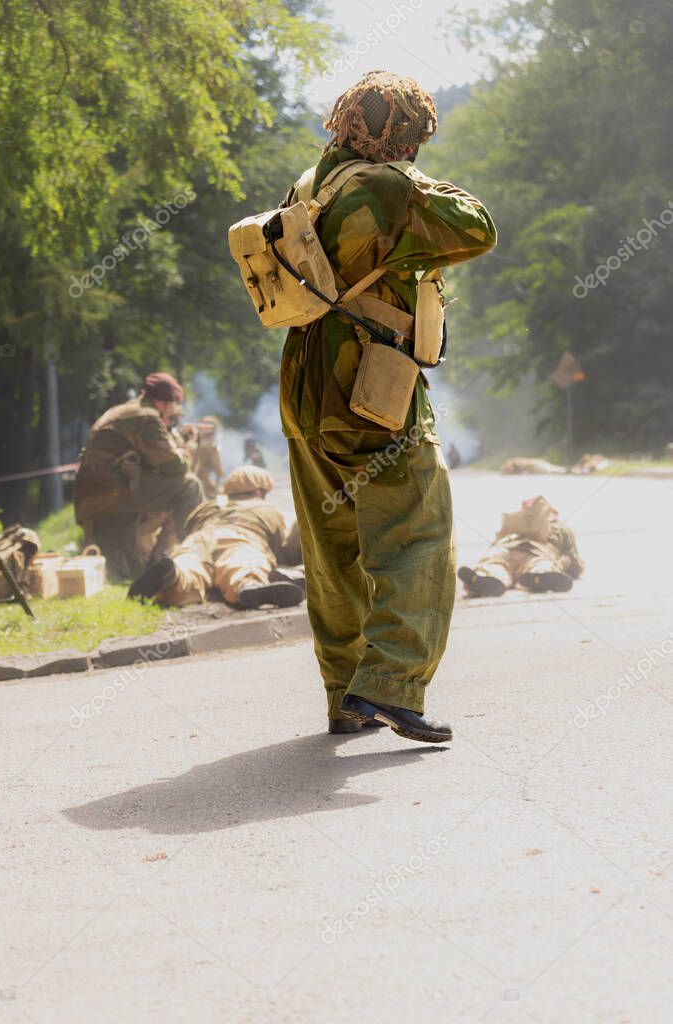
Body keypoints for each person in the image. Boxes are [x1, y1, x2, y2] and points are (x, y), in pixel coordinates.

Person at [279, 70, 497, 739]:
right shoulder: (389, 186)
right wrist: (414, 179)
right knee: (417, 538)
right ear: (402, 133)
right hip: (373, 387)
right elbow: (478, 228)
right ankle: (394, 687)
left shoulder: (307, 186)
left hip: (305, 392)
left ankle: (346, 695)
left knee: (332, 552)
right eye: (414, 136)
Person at [74, 373, 204, 580]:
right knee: (189, 486)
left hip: (97, 498)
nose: (173, 412)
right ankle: (196, 557)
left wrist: (173, 435)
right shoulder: (146, 417)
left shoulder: (127, 410)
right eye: (174, 405)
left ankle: (159, 561)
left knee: (134, 569)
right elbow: (175, 466)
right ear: (163, 402)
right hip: (110, 495)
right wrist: (187, 445)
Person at [127, 465, 305, 609]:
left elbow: (187, 529)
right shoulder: (267, 508)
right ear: (258, 491)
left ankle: (172, 578)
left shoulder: (207, 506)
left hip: (198, 539)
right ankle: (248, 586)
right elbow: (291, 543)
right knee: (243, 563)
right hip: (242, 537)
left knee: (190, 565)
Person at [458, 496, 584, 597]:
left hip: (504, 548)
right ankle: (539, 577)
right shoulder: (559, 526)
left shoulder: (513, 525)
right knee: (539, 564)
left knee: (494, 564)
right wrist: (565, 565)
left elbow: (493, 546)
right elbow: (574, 562)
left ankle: (484, 577)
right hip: (536, 552)